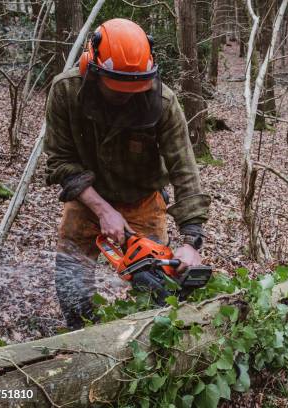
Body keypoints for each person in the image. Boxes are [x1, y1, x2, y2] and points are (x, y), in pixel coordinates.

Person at [44, 18, 210, 329]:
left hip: (144, 199)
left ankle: (143, 346)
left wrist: (191, 240)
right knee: (71, 278)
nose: (126, 97)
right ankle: (81, 337)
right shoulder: (66, 93)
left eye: (134, 90)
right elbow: (60, 162)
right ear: (94, 71)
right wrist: (103, 210)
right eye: (118, 89)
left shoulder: (163, 103)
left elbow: (184, 170)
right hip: (86, 197)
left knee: (156, 288)